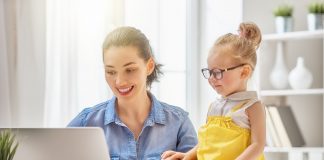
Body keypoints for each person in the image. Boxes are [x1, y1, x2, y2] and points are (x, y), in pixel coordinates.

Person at [68, 26, 198, 159]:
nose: (120, 82)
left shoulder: (179, 123)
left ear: (149, 66)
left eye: (130, 70)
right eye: (111, 72)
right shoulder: (86, 122)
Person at [162, 22, 265, 160]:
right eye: (209, 72)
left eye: (217, 72)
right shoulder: (214, 107)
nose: (211, 78)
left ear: (244, 72)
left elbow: (257, 146)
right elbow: (206, 143)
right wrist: (188, 155)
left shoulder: (253, 107)